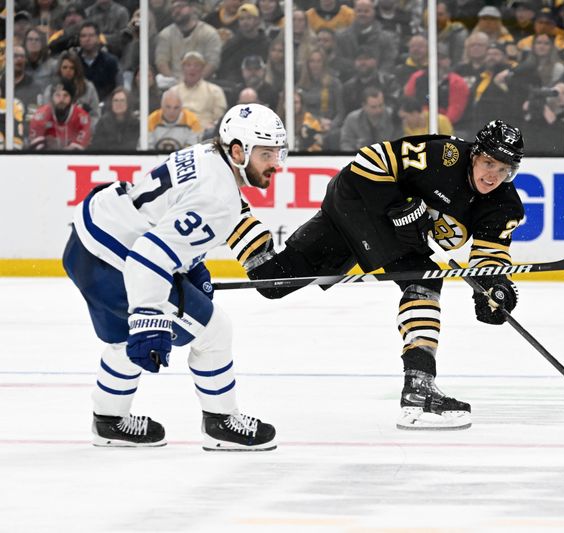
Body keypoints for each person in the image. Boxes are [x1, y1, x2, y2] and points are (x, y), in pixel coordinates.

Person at [227, 120, 525, 430]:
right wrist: (399, 206)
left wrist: (494, 289)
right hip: (355, 203)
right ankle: (418, 389)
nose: (494, 175)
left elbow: (489, 259)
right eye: (489, 163)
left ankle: (233, 216)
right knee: (424, 280)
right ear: (474, 155)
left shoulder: (504, 206)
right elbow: (369, 160)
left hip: (392, 236)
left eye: (505, 169)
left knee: (272, 281)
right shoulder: (444, 155)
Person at [61, 103, 284, 450]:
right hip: (121, 262)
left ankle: (109, 420)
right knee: (214, 331)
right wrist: (148, 317)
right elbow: (148, 256)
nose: (276, 164)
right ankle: (221, 422)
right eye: (266, 154)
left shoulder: (206, 154)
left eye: (278, 152)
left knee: (122, 337)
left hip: (86, 242)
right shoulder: (220, 197)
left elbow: (165, 212)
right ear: (238, 151)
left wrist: (192, 266)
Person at [29, 77, 92, 150]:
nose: (61, 99)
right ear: (52, 97)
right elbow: (36, 145)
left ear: (72, 99)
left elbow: (80, 147)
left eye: (65, 95)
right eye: (57, 95)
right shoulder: (41, 115)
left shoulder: (82, 117)